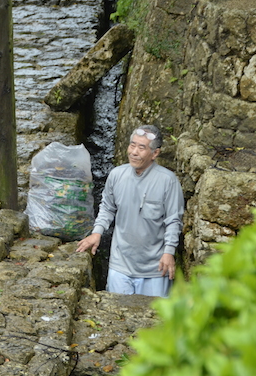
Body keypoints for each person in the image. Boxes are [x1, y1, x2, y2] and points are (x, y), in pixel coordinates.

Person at [75, 125, 184, 298]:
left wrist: (169, 252)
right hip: (120, 265)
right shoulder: (116, 175)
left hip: (155, 269)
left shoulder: (168, 181)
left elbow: (173, 220)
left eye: (141, 148)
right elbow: (107, 207)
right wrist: (97, 233)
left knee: (153, 322)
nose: (134, 152)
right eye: (132, 145)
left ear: (155, 153)